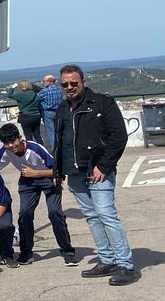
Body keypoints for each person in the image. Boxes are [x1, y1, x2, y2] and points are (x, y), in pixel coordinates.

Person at [53, 64, 136, 286]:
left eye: (73, 83)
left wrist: (104, 166)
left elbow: (118, 136)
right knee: (92, 216)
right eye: (65, 84)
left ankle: (125, 265)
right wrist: (57, 171)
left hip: (97, 170)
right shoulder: (62, 109)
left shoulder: (101, 103)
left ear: (83, 82)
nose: (69, 87)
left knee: (106, 215)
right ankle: (107, 259)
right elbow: (60, 142)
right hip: (74, 172)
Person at [0, 123, 75, 265]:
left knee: (55, 213)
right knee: (24, 214)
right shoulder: (5, 151)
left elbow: (57, 170)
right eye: (7, 143)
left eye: (13, 141)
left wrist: (36, 173)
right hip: (27, 182)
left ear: (20, 138)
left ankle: (67, 250)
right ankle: (26, 252)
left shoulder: (35, 149)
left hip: (48, 179)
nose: (11, 146)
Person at [6, 80, 45, 145]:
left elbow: (9, 94)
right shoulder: (36, 94)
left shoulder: (20, 94)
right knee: (37, 134)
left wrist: (13, 87)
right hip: (36, 115)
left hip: (26, 116)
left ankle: (31, 150)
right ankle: (41, 149)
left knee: (28, 135)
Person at [37, 74, 63, 153]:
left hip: (47, 112)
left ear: (48, 82)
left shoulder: (44, 91)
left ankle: (55, 150)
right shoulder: (59, 90)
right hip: (59, 111)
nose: (43, 82)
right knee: (59, 131)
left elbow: (36, 99)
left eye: (44, 81)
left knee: (51, 132)